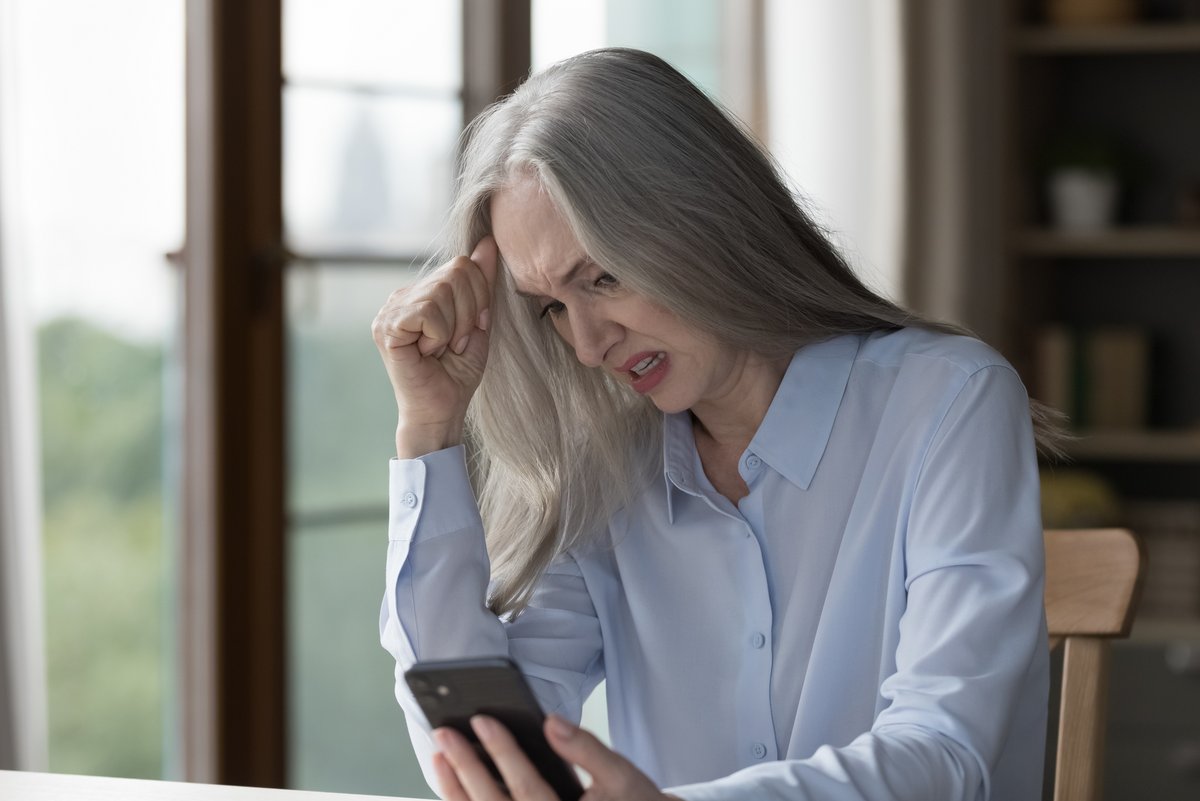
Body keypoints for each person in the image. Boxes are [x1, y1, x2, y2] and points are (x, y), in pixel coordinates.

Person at [374, 47, 1053, 801]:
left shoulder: (948, 402)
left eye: (603, 276)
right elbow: (483, 745)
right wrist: (429, 429)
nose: (590, 343)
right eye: (553, 308)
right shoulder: (608, 465)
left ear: (706, 219)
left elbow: (945, 755)